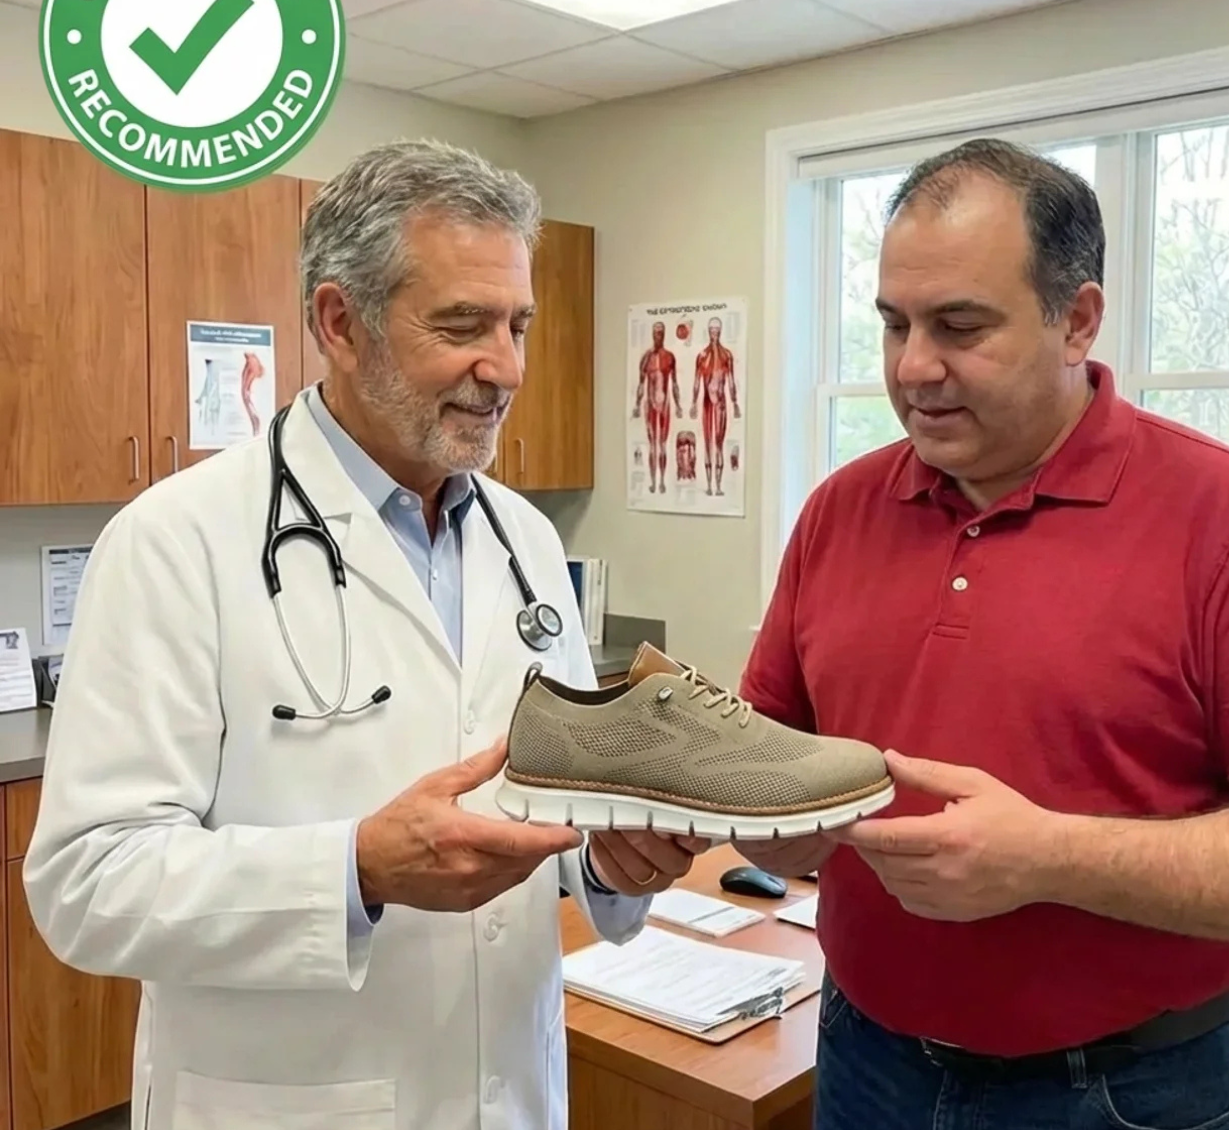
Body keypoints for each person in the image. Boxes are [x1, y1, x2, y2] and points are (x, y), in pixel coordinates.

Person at [23, 139, 705, 1130]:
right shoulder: (176, 541)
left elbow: (554, 821)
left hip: (509, 1092)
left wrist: (610, 860)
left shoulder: (522, 539)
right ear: (340, 323)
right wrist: (355, 868)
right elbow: (86, 883)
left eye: (517, 324)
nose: (506, 368)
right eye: (462, 325)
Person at [736, 137, 1229, 1129]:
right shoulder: (837, 510)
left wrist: (1048, 857)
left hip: (1128, 1091)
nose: (912, 367)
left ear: (1077, 321)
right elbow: (767, 756)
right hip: (866, 1055)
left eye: (959, 326)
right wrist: (755, 811)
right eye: (892, 324)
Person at [690, 316, 739, 495]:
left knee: (718, 444)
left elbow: (731, 380)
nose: (714, 334)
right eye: (712, 331)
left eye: (717, 331)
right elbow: (697, 381)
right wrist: (693, 403)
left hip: (721, 404)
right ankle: (709, 485)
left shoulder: (726, 355)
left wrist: (735, 402)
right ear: (708, 332)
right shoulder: (702, 356)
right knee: (707, 443)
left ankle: (717, 486)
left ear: (720, 332)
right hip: (706, 403)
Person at [632, 319, 682, 493]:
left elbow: (674, 383)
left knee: (662, 444)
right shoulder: (646, 359)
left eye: (661, 333)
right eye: (656, 333)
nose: (658, 336)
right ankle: (654, 482)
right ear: (652, 335)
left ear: (664, 335)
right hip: (650, 404)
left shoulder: (670, 357)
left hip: (665, 404)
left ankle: (662, 481)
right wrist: (637, 404)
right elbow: (641, 384)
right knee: (653, 443)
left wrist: (678, 405)